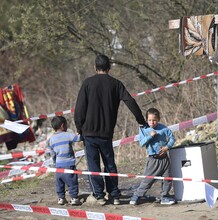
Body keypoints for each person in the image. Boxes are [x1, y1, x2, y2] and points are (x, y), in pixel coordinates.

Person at [74, 54, 147, 206]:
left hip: (89, 132)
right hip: (106, 133)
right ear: (109, 67)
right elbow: (130, 101)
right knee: (109, 163)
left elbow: (79, 109)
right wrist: (141, 121)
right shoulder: (116, 84)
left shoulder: (87, 83)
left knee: (93, 164)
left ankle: (99, 195)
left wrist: (79, 129)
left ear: (95, 67)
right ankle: (114, 195)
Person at [130, 108, 176, 206]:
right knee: (148, 180)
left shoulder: (163, 128)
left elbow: (172, 138)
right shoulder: (144, 129)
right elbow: (141, 143)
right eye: (150, 120)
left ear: (158, 119)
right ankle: (137, 195)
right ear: (147, 120)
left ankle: (165, 196)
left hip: (164, 158)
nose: (152, 122)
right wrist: (150, 136)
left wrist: (167, 147)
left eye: (154, 120)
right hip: (153, 160)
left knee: (167, 178)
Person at [47, 116, 82, 206]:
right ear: (63, 125)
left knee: (59, 183)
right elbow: (78, 138)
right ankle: (74, 198)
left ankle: (61, 198)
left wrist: (55, 163)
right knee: (72, 182)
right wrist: (82, 132)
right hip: (69, 164)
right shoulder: (68, 135)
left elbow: (52, 153)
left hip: (58, 165)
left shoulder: (51, 139)